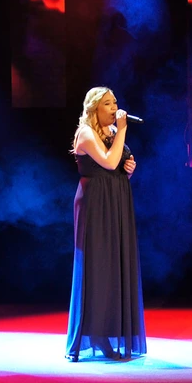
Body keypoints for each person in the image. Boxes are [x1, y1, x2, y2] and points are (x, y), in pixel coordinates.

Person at [65, 86, 147, 361]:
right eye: (108, 104)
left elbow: (117, 167)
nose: (115, 109)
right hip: (96, 203)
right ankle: (95, 335)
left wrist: (129, 170)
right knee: (98, 265)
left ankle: (110, 331)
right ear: (94, 108)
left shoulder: (111, 132)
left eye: (115, 103)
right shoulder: (86, 133)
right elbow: (109, 163)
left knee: (115, 264)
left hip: (116, 199)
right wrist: (122, 131)